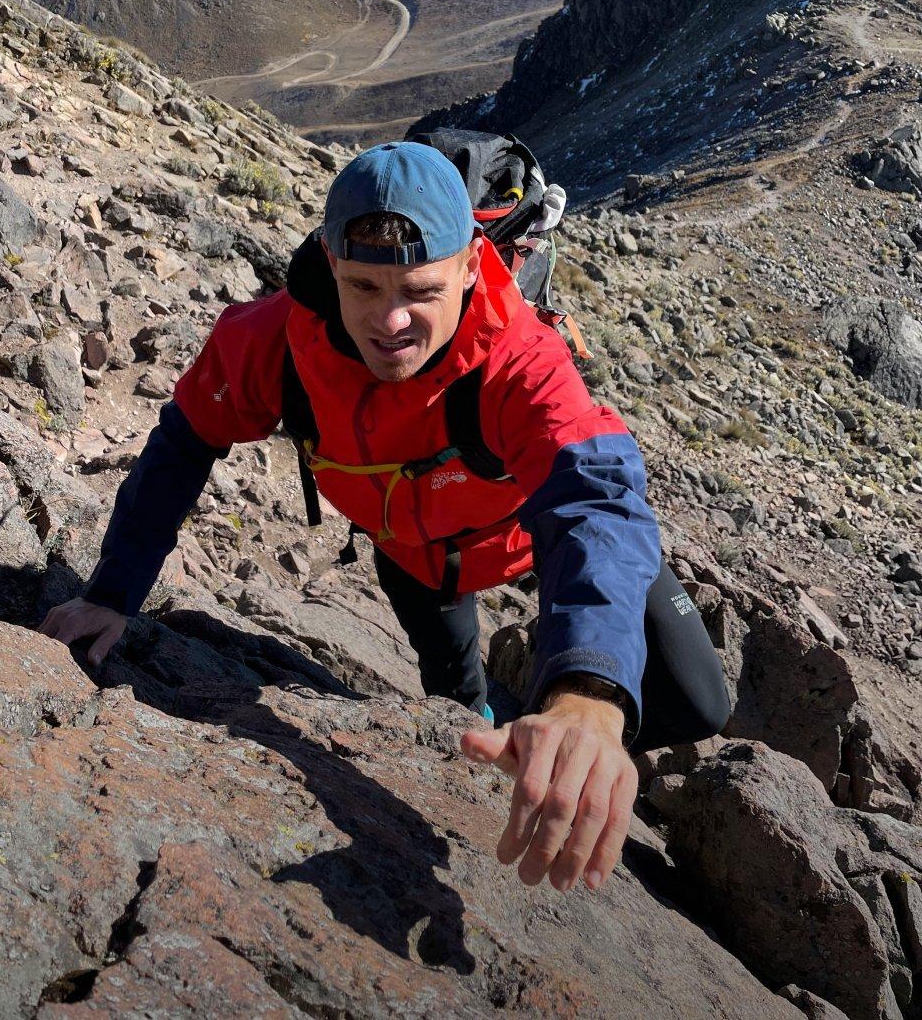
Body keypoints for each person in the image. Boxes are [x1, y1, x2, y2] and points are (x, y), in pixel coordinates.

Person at [40, 141, 730, 895]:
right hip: (416, 562)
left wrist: (589, 697)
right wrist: (112, 593)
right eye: (363, 285)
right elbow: (184, 440)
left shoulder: (517, 359)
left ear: (472, 266)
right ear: (330, 263)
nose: (391, 319)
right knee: (459, 718)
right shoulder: (273, 343)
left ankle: (568, 710)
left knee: (701, 702)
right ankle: (513, 709)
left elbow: (593, 498)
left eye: (421, 289)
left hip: (533, 542)